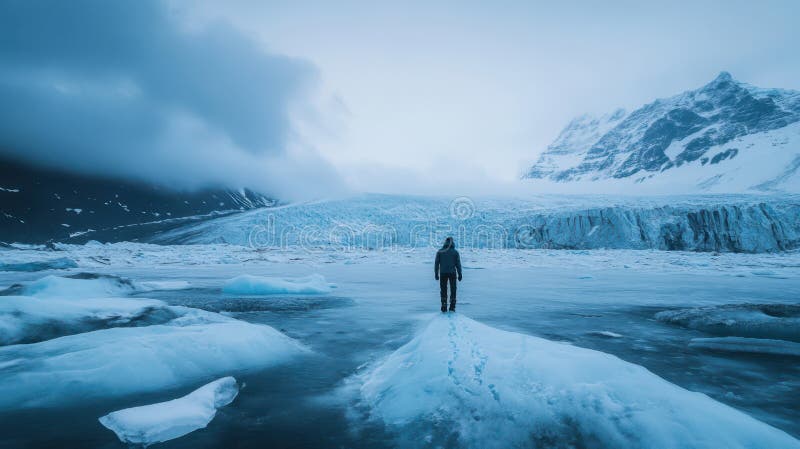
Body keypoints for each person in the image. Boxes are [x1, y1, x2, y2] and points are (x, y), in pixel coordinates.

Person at [434, 236, 462, 312]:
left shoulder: (440, 251)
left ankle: (444, 305)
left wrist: (436, 274)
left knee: (443, 289)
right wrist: (460, 274)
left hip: (443, 273)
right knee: (453, 289)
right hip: (452, 273)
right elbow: (458, 264)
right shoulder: (455, 252)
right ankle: (452, 306)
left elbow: (436, 264)